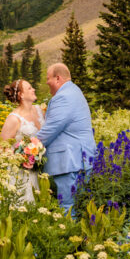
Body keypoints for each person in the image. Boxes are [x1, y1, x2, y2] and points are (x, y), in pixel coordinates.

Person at [35, 63, 95, 212]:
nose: (47, 82)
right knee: (81, 206)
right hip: (81, 158)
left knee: (68, 207)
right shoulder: (74, 91)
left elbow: (51, 128)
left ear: (57, 78)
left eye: (48, 78)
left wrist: (28, 147)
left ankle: (69, 234)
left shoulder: (63, 97)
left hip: (69, 160)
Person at [0, 79, 45, 205]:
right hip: (20, 171)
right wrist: (21, 157)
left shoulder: (40, 110)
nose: (33, 89)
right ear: (21, 95)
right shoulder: (14, 118)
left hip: (38, 168)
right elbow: (2, 147)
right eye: (30, 88)